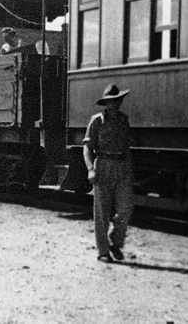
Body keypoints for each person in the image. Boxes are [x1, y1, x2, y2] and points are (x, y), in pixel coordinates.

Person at [82, 84, 133, 264]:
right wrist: (91, 169)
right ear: (106, 103)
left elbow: (127, 146)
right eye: (112, 101)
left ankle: (115, 241)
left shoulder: (123, 120)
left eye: (118, 101)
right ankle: (103, 251)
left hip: (122, 166)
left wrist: (128, 168)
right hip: (103, 165)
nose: (116, 104)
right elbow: (87, 148)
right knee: (102, 213)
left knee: (125, 208)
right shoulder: (96, 121)